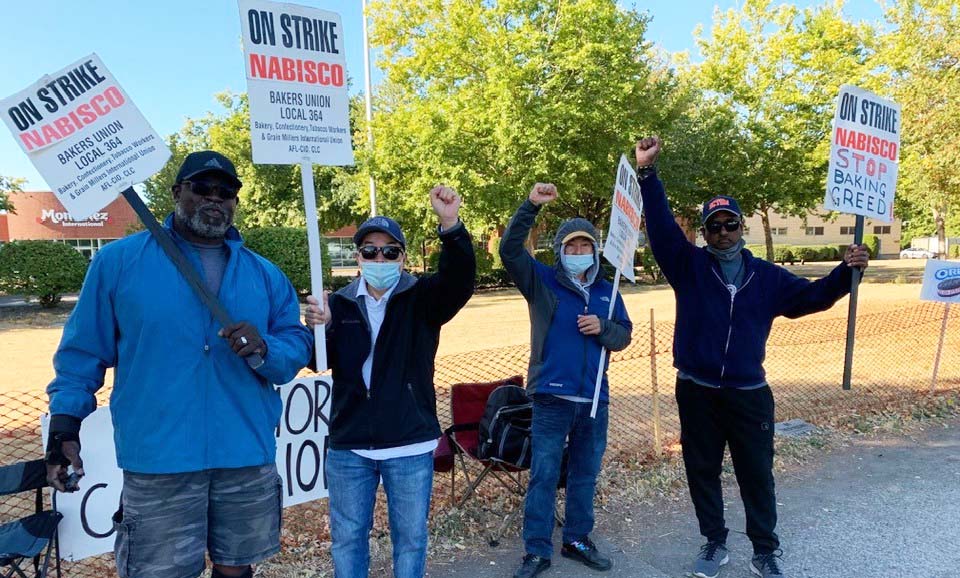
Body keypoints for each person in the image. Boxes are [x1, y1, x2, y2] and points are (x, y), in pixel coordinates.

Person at [44, 151, 314, 578]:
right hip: (159, 458)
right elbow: (82, 353)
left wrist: (266, 350)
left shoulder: (265, 274)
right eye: (202, 188)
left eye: (226, 192)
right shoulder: (117, 263)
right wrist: (64, 428)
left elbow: (296, 344)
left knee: (235, 568)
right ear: (176, 193)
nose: (215, 199)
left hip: (244, 450)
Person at [634, 136, 870, 578]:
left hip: (748, 394)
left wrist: (846, 273)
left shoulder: (767, 277)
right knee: (701, 469)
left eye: (730, 224)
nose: (722, 232)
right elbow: (663, 227)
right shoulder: (688, 267)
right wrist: (648, 173)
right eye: (714, 226)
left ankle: (765, 549)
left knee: (756, 474)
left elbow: (813, 297)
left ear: (743, 228)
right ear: (704, 233)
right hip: (697, 391)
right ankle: (714, 542)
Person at [304, 185, 475, 578]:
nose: (379, 257)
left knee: (411, 538)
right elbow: (317, 360)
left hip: (409, 442)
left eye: (389, 251)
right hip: (350, 445)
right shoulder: (341, 303)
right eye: (370, 250)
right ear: (358, 257)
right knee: (347, 537)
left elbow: (460, 279)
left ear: (402, 257)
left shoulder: (424, 297)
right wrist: (320, 327)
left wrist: (450, 224)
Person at [499, 183, 633, 578]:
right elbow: (508, 251)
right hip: (552, 399)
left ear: (595, 250)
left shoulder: (608, 292)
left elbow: (623, 335)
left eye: (585, 246)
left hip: (594, 399)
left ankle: (576, 539)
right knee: (543, 474)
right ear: (559, 251)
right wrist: (530, 207)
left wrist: (603, 327)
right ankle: (536, 551)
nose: (578, 253)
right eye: (571, 247)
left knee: (584, 474)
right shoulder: (542, 282)